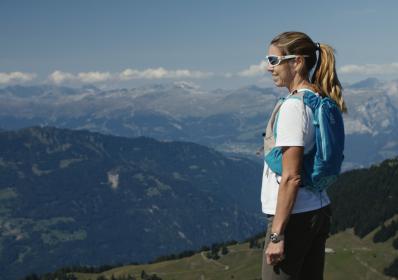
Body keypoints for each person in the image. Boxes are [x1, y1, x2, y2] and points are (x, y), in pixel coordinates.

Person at [261, 31, 347, 280]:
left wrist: (277, 234)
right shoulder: (318, 98)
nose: (269, 68)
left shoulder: (293, 107)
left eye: (274, 60)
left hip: (294, 218)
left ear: (296, 61)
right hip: (317, 209)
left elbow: (291, 177)